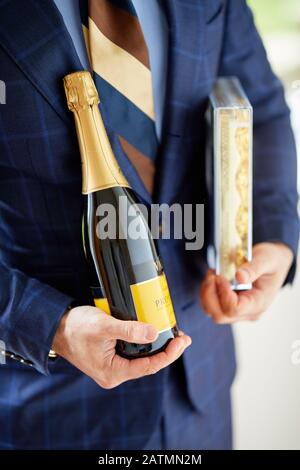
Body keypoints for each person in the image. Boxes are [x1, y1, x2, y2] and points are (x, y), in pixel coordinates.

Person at [0, 0, 298, 450]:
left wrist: (275, 238)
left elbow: (264, 109)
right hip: (54, 409)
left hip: (201, 389)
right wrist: (52, 326)